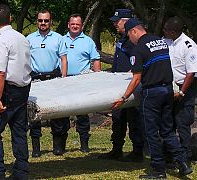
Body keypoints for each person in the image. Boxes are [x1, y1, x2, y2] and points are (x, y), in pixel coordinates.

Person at [112, 18, 192, 179]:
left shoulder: (139, 49)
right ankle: (183, 163)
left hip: (152, 93)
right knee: (167, 130)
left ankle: (158, 171)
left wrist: (124, 98)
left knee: (151, 133)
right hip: (168, 90)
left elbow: (136, 79)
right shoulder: (160, 42)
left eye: (129, 35)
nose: (130, 40)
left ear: (134, 31)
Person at [0, 4, 31, 180]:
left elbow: (0, 73)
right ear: (10, 18)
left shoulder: (0, 40)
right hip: (23, 89)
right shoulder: (22, 38)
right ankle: (21, 171)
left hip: (8, 91)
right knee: (19, 132)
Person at [98, 9, 144, 162]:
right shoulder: (122, 39)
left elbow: (138, 65)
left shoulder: (134, 41)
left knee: (134, 120)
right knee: (118, 120)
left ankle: (137, 151)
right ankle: (116, 149)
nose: (114, 24)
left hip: (130, 86)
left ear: (126, 21)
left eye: (117, 21)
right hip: (117, 86)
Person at [26, 9, 68, 157]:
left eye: (46, 20)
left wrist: (63, 78)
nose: (43, 23)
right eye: (40, 20)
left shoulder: (58, 38)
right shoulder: (29, 38)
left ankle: (57, 146)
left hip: (54, 78)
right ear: (37, 21)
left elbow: (63, 59)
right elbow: (25, 60)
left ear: (51, 21)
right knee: (34, 114)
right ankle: (36, 148)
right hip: (36, 78)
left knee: (56, 113)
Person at [163, 16, 197, 165]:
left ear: (173, 32)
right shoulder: (166, 41)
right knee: (168, 122)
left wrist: (182, 92)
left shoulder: (189, 46)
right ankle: (169, 154)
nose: (163, 32)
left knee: (183, 123)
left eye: (165, 30)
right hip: (169, 86)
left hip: (184, 87)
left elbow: (191, 73)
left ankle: (185, 157)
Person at [62, 13, 101, 152]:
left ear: (81, 25)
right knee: (62, 113)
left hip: (81, 81)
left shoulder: (88, 41)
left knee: (82, 115)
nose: (75, 26)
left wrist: (98, 78)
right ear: (68, 24)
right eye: (72, 24)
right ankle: (60, 145)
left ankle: (84, 144)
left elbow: (96, 59)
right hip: (64, 81)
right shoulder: (61, 40)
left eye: (77, 24)